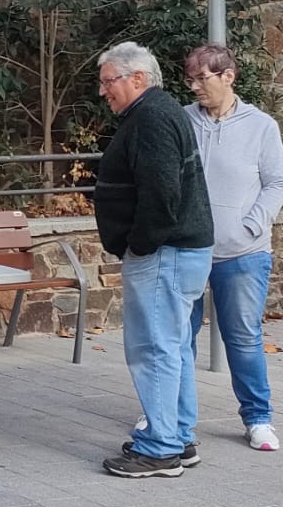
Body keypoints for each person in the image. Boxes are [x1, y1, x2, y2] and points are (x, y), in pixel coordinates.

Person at [92, 41, 215, 478]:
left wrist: (140, 245)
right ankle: (177, 437)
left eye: (108, 81)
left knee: (154, 349)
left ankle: (161, 447)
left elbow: (162, 194)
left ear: (138, 78)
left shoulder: (151, 118)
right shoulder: (160, 112)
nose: (103, 91)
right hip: (178, 250)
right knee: (173, 347)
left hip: (165, 252)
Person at [182, 44, 283, 452]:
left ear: (228, 76)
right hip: (187, 250)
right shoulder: (182, 121)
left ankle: (258, 419)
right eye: (190, 79)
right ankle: (169, 414)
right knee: (178, 337)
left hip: (244, 253)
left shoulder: (261, 126)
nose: (195, 87)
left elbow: (278, 183)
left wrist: (251, 224)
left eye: (202, 78)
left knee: (243, 339)